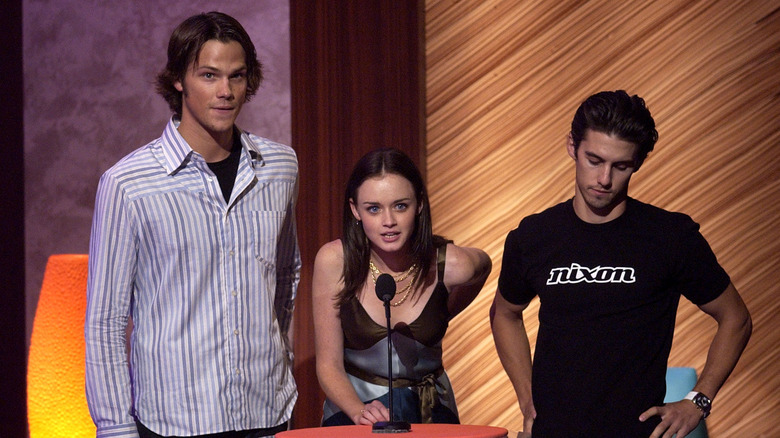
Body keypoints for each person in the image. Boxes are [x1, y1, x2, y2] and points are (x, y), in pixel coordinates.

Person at [85, 12, 300, 438]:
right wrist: (114, 428)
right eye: (209, 75)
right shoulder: (128, 184)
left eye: (237, 77)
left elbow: (285, 274)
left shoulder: (280, 166)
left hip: (267, 413)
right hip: (174, 421)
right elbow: (105, 322)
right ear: (179, 80)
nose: (225, 92)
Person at [490, 90, 752, 438]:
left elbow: (736, 318)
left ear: (638, 162)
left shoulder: (670, 236)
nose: (604, 179)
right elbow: (505, 313)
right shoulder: (534, 235)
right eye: (594, 160)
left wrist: (698, 401)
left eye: (621, 166)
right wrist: (528, 400)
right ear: (572, 147)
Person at [312, 148, 492, 426]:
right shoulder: (334, 261)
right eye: (373, 208)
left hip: (431, 414)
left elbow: (484, 265)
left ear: (419, 204)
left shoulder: (451, 263)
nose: (388, 222)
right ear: (355, 210)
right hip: (354, 413)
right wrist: (359, 411)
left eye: (400, 206)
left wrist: (444, 311)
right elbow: (328, 364)